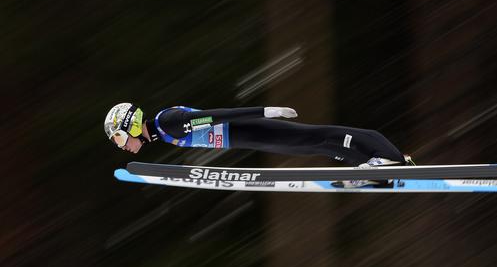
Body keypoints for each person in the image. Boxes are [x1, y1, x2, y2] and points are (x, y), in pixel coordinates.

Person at [104, 103, 414, 187]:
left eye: (119, 137)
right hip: (254, 138)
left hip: (253, 128)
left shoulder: (167, 122)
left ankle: (387, 156)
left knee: (318, 136)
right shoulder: (163, 131)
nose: (122, 145)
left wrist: (264, 111)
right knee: (318, 146)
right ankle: (379, 164)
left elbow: (216, 116)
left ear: (131, 123)